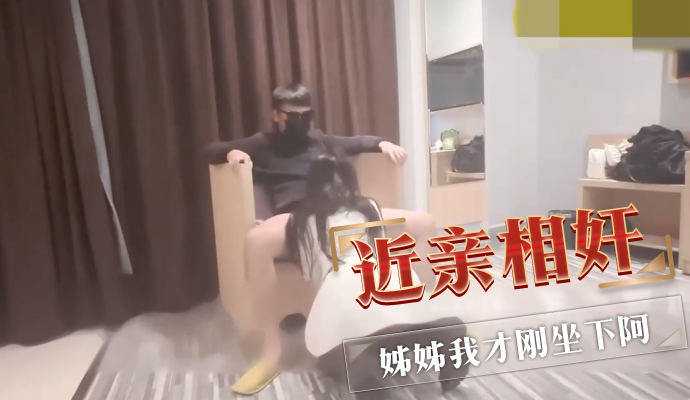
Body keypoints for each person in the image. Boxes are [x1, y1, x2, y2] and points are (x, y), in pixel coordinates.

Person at [206, 83, 437, 394]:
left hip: (341, 206)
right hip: (296, 215)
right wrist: (231, 152)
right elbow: (210, 150)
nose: (301, 122)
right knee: (257, 241)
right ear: (276, 115)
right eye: (293, 116)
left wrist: (381, 144)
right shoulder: (263, 143)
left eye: (307, 115)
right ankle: (271, 352)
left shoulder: (320, 139)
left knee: (423, 223)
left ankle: (411, 317)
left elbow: (356, 142)